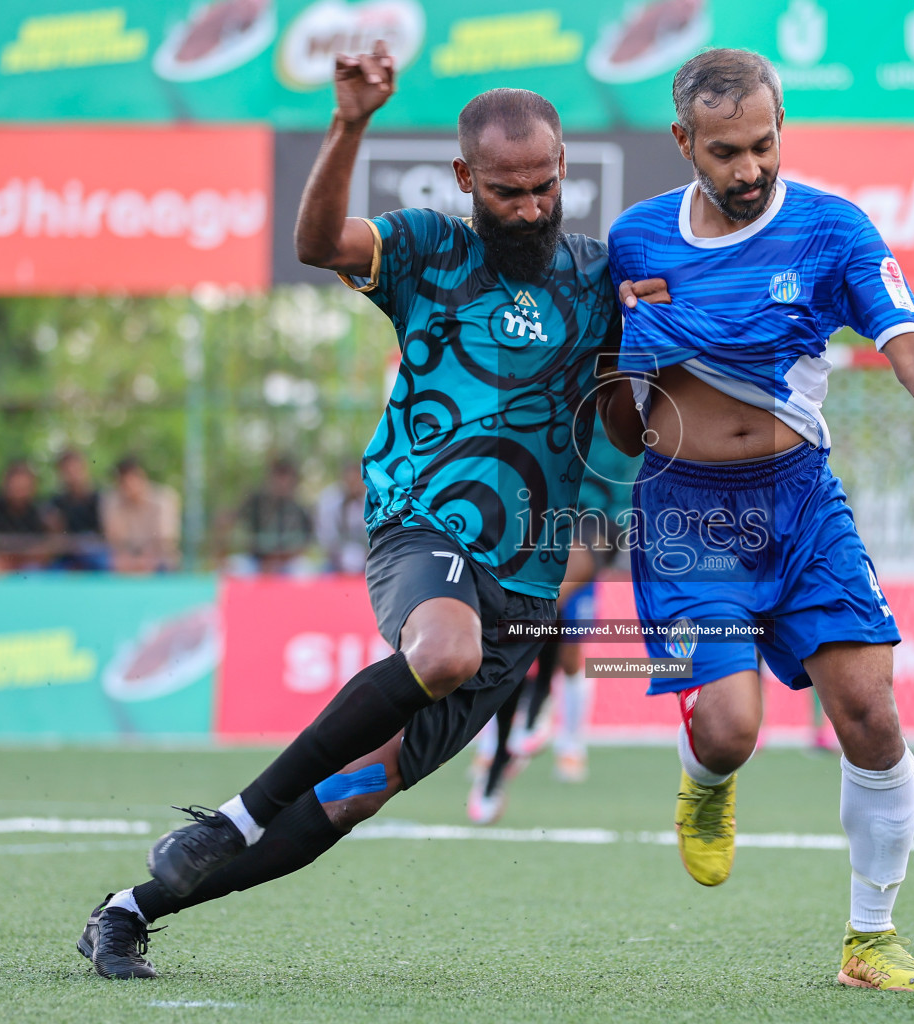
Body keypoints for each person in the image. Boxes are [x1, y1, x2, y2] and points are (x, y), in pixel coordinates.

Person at [76, 44, 624, 981]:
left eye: (543, 185)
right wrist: (350, 123)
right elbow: (317, 245)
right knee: (441, 653)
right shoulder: (427, 249)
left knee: (355, 794)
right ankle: (237, 816)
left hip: (529, 587)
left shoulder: (601, 279)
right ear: (465, 179)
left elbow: (623, 418)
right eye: (506, 190)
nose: (530, 206)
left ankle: (131, 909)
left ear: (564, 165)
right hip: (426, 522)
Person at [599, 49, 914, 993]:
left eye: (765, 143)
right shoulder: (631, 245)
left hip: (801, 502)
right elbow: (614, 410)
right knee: (730, 730)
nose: (750, 168)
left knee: (872, 714)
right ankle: (704, 781)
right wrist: (613, 389)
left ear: (781, 123)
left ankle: (869, 940)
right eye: (726, 152)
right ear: (683, 143)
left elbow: (906, 340)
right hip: (685, 518)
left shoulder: (833, 230)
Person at [466, 427, 638, 823]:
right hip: (538, 515)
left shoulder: (634, 384)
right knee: (518, 618)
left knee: (560, 635)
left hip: (601, 520)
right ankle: (499, 749)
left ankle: (553, 729)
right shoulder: (549, 387)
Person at [221, 456, 314, 574]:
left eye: (286, 477)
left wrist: (275, 560)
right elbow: (230, 522)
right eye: (278, 476)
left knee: (305, 572)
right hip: (256, 561)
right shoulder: (255, 502)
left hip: (287, 563)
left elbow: (304, 544)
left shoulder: (299, 508)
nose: (282, 482)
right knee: (230, 568)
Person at [100, 456, 181, 574]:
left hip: (159, 560)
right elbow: (115, 540)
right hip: (123, 561)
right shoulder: (112, 501)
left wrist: (147, 558)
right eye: (122, 482)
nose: (127, 486)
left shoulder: (164, 499)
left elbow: (166, 540)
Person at [45, 449, 106, 571]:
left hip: (95, 555)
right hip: (67, 557)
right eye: (68, 470)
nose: (73, 474)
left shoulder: (100, 499)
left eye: (76, 469)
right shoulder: (56, 503)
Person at [313, 462, 370, 574]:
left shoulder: (371, 498)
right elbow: (325, 536)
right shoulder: (329, 500)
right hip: (336, 561)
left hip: (367, 558)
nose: (353, 485)